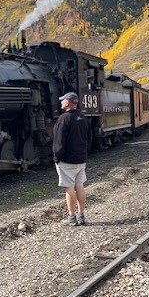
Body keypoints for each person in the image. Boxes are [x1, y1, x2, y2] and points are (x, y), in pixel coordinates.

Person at [53, 91, 92, 226]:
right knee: (80, 186)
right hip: (81, 159)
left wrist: (57, 157)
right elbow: (89, 138)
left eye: (63, 100)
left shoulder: (64, 118)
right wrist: (84, 153)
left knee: (69, 188)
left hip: (67, 160)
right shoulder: (84, 117)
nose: (61, 102)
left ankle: (72, 217)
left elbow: (59, 142)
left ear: (68, 102)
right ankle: (81, 215)